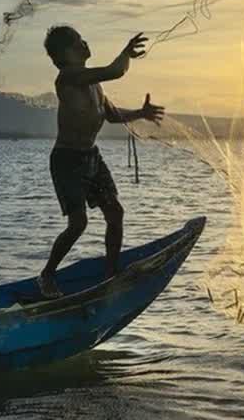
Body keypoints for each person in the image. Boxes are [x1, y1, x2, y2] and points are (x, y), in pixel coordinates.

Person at [38, 26, 165, 298]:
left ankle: (110, 274)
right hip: (67, 160)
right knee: (78, 223)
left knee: (115, 213)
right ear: (65, 54)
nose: (85, 43)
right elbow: (115, 70)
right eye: (78, 42)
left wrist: (140, 113)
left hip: (91, 156)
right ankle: (47, 275)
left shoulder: (94, 83)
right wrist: (127, 53)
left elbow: (112, 115)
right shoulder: (69, 78)